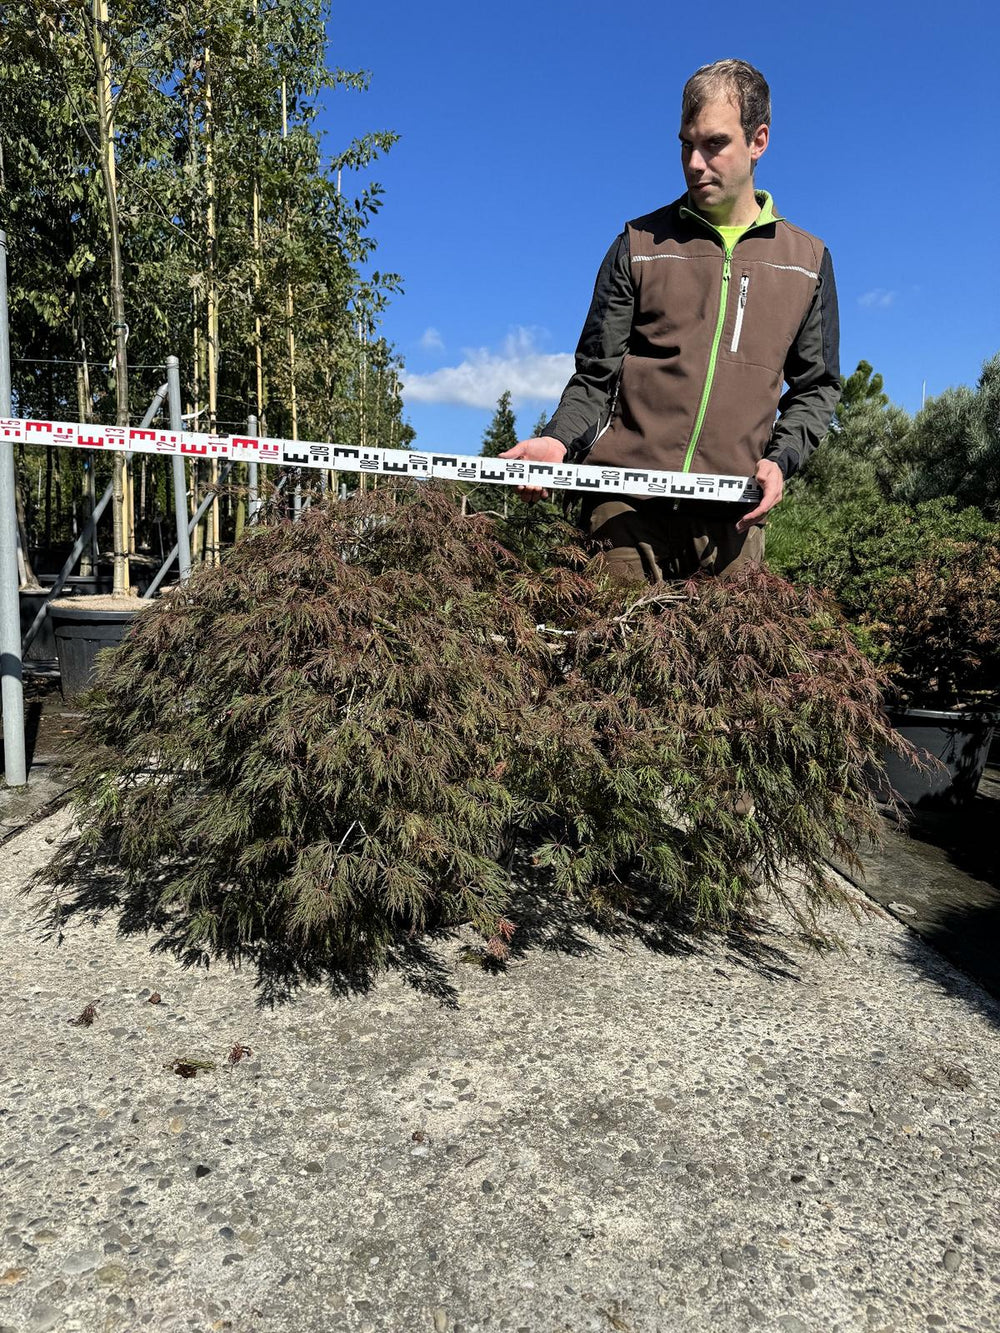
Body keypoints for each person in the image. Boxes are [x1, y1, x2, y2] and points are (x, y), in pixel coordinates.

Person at [501, 58, 841, 583]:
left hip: (734, 520)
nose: (695, 163)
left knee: (721, 668)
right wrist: (558, 442)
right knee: (608, 662)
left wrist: (782, 458)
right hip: (623, 513)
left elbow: (816, 387)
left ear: (759, 141)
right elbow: (595, 378)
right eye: (686, 144)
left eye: (715, 144)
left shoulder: (808, 262)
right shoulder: (637, 245)